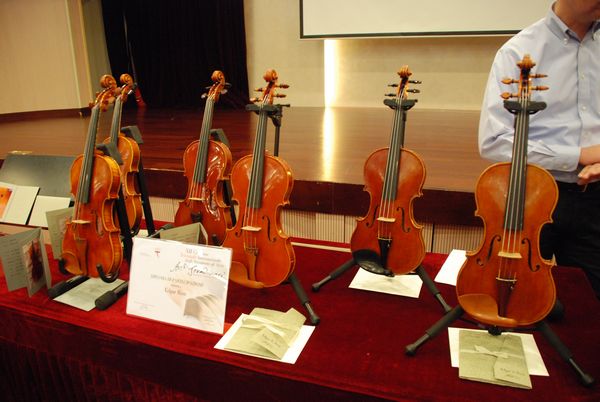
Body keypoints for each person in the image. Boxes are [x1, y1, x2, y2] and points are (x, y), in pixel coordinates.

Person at [478, 0, 600, 298]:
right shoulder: (518, 52)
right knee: (516, 299)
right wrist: (579, 156)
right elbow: (494, 140)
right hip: (534, 197)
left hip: (596, 199)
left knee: (591, 308)